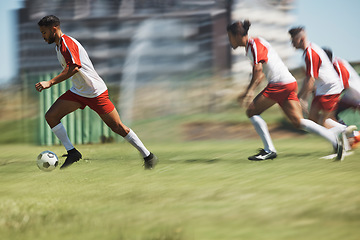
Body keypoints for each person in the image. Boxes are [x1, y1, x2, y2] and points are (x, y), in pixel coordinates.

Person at [36, 15, 157, 169]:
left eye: (44, 32)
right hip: (79, 92)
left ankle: (148, 156)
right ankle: (72, 152)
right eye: (41, 33)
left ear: (54, 29)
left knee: (118, 127)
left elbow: (74, 67)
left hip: (94, 92)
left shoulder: (67, 43)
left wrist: (50, 82)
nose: (42, 36)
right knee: (51, 116)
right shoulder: (58, 46)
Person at [226, 20, 344, 161]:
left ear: (238, 35)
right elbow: (261, 73)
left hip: (280, 83)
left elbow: (258, 71)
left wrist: (248, 92)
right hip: (288, 82)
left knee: (251, 111)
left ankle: (269, 150)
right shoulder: (252, 46)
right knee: (298, 122)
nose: (229, 40)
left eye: (229, 37)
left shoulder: (254, 45)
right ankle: (334, 140)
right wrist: (251, 89)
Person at [322, 48, 360, 148]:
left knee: (330, 114)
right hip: (350, 96)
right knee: (332, 114)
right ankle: (351, 135)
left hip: (356, 95)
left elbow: (344, 84)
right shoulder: (331, 66)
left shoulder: (338, 64)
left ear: (328, 58)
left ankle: (354, 135)